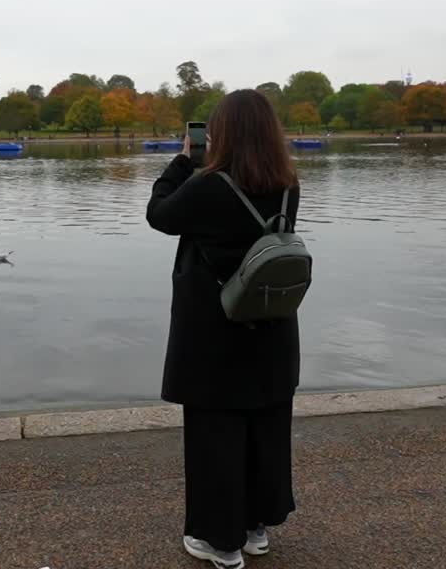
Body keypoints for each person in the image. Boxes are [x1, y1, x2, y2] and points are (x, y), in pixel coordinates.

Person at [146, 89, 301, 569]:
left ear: (222, 133)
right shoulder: (288, 184)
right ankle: (255, 529)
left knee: (216, 435)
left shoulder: (210, 187)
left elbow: (159, 215)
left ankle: (220, 542)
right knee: (264, 430)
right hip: (272, 326)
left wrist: (182, 162)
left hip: (216, 332)